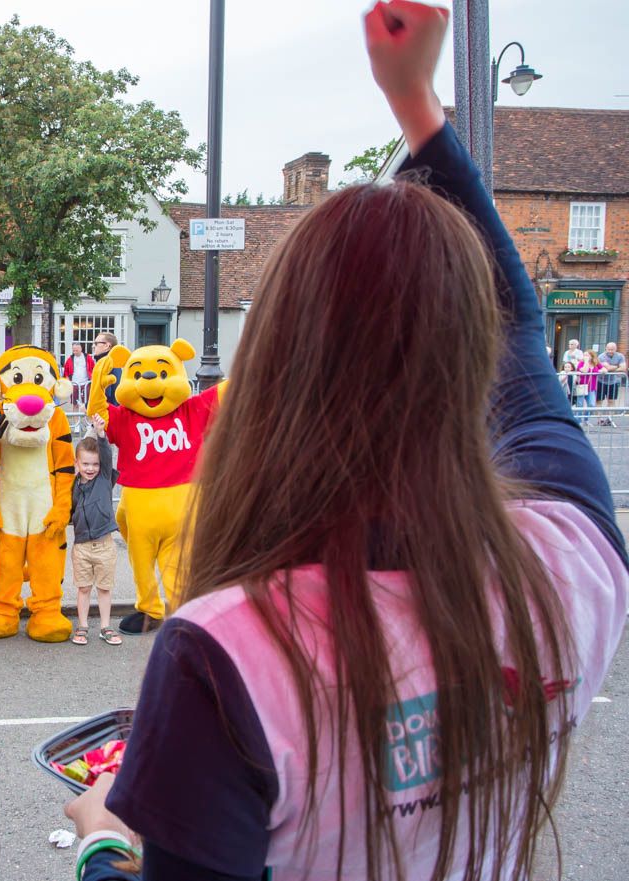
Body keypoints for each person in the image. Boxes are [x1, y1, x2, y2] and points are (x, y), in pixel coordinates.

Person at [63, 5, 627, 880]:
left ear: (277, 370)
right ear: (468, 363)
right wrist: (417, 107)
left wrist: (104, 838)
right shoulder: (570, 563)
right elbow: (523, 328)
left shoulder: (227, 652)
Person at [70, 415, 121, 647]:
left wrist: (100, 434)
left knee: (104, 588)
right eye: (86, 464)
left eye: (95, 464)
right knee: (83, 588)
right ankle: (82, 626)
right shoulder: (74, 485)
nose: (91, 468)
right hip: (81, 546)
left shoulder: (103, 479)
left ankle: (105, 627)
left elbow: (106, 453)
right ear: (77, 464)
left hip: (104, 546)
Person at [597, 341, 625, 426]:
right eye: (608, 349)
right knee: (599, 401)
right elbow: (607, 367)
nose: (610, 351)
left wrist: (612, 368)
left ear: (616, 349)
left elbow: (623, 368)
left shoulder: (620, 356)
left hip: (613, 381)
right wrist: (617, 366)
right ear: (606, 348)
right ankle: (599, 419)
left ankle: (609, 419)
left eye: (612, 349)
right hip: (601, 381)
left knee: (611, 401)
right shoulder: (601, 356)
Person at [64, 342, 96, 408]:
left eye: (76, 350)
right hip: (74, 383)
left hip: (86, 383)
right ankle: (75, 414)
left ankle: (86, 414)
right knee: (74, 403)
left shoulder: (87, 357)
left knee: (87, 402)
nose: (75, 352)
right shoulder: (70, 359)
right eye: (73, 350)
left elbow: (94, 368)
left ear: (81, 349)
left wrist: (92, 378)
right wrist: (68, 381)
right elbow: (66, 372)